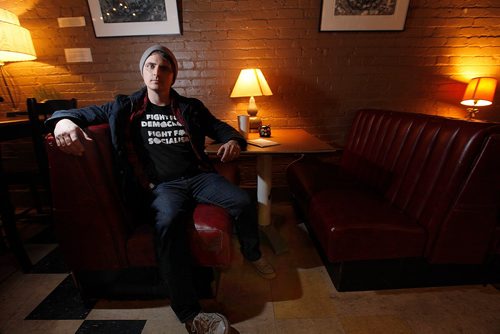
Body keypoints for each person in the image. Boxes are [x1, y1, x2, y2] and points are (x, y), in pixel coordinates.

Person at [46, 45, 276, 334]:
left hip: (199, 177)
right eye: (151, 66)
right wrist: (62, 122)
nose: (157, 72)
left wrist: (233, 141)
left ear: (173, 75)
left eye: (164, 67)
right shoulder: (124, 107)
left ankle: (252, 252)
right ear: (143, 72)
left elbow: (222, 128)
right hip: (162, 187)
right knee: (167, 224)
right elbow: (73, 113)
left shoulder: (190, 107)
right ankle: (190, 312)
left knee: (242, 201)